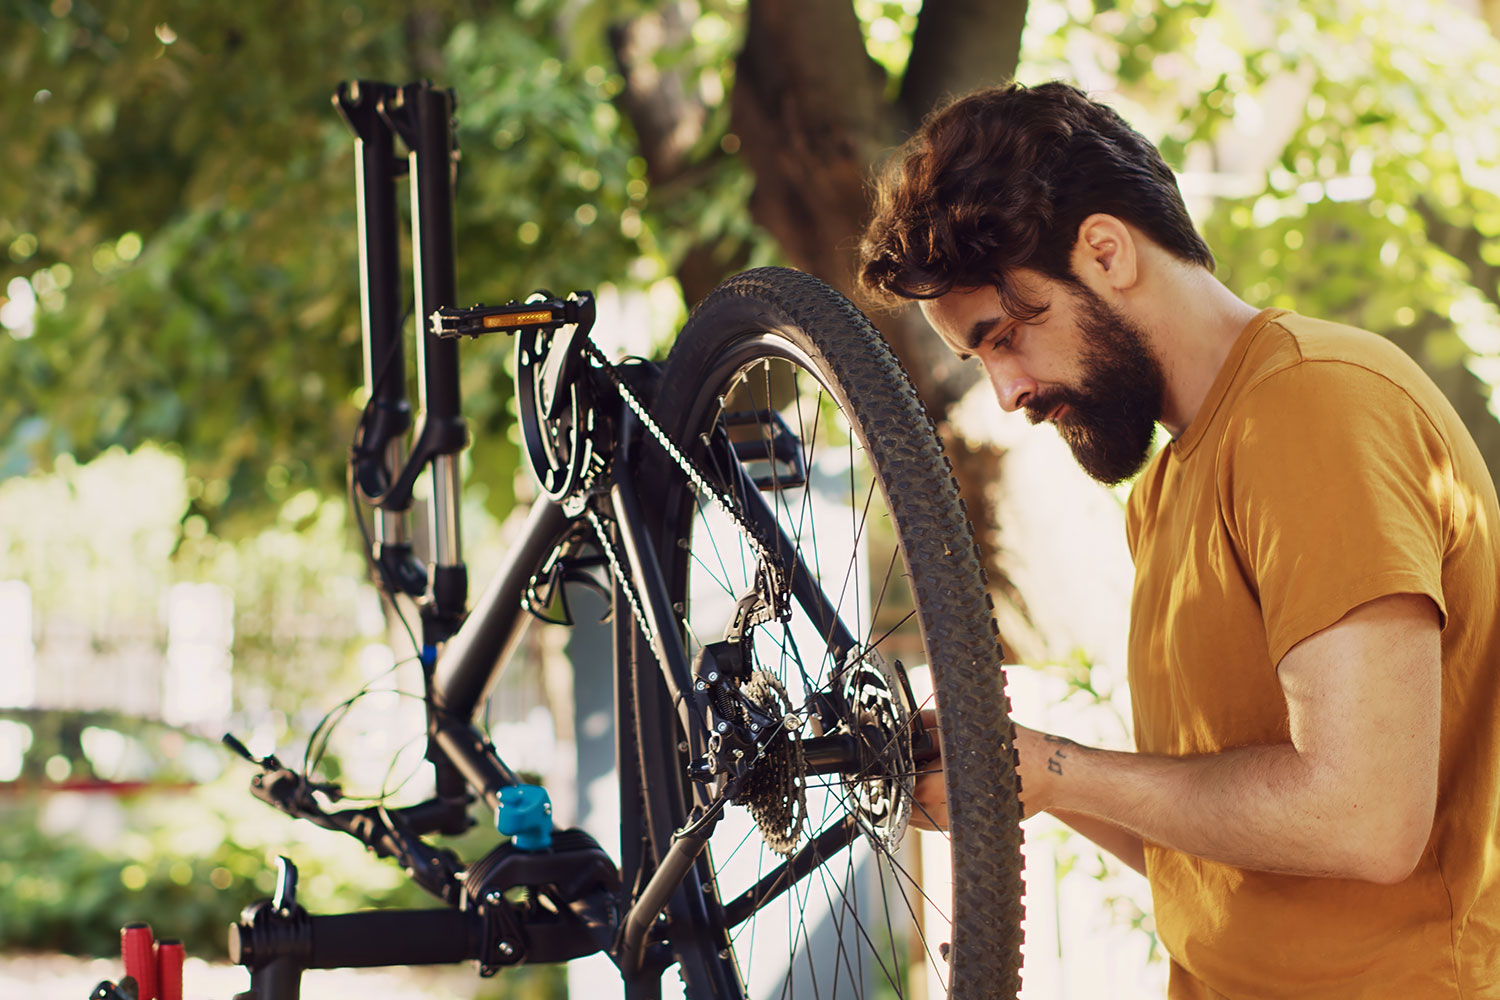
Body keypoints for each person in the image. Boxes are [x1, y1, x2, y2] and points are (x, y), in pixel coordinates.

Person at [859, 81, 1500, 998]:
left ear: (1107, 252)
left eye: (1006, 336)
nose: (1008, 393)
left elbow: (1363, 819)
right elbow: (1221, 849)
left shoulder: (1316, 407)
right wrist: (1029, 775)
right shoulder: (1166, 490)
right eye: (980, 358)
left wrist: (1058, 766)